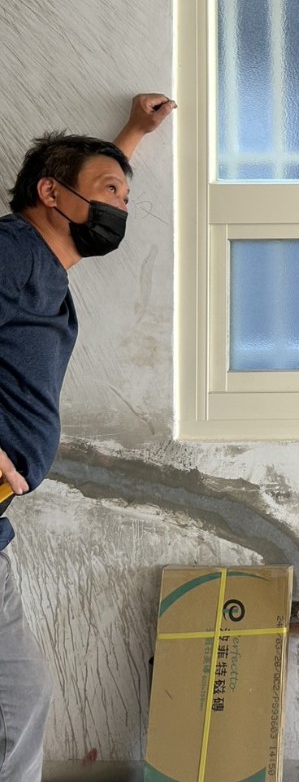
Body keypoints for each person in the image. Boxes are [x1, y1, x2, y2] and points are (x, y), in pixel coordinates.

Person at [0, 93, 175, 781]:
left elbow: (92, 181)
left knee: (20, 699)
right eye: (110, 194)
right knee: (17, 701)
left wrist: (131, 135)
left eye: (126, 200)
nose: (120, 209)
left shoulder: (43, 266)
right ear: (51, 194)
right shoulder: (13, 251)